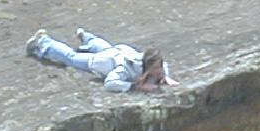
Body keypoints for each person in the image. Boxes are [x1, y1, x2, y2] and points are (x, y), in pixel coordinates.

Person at [25, 27, 180, 93]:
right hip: (103, 62)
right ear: (147, 67)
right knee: (71, 58)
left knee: (107, 48)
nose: (158, 71)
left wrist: (166, 78)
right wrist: (134, 86)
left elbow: (163, 66)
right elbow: (110, 83)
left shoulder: (158, 66)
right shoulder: (126, 68)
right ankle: (44, 42)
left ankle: (88, 38)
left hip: (116, 51)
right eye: (155, 69)